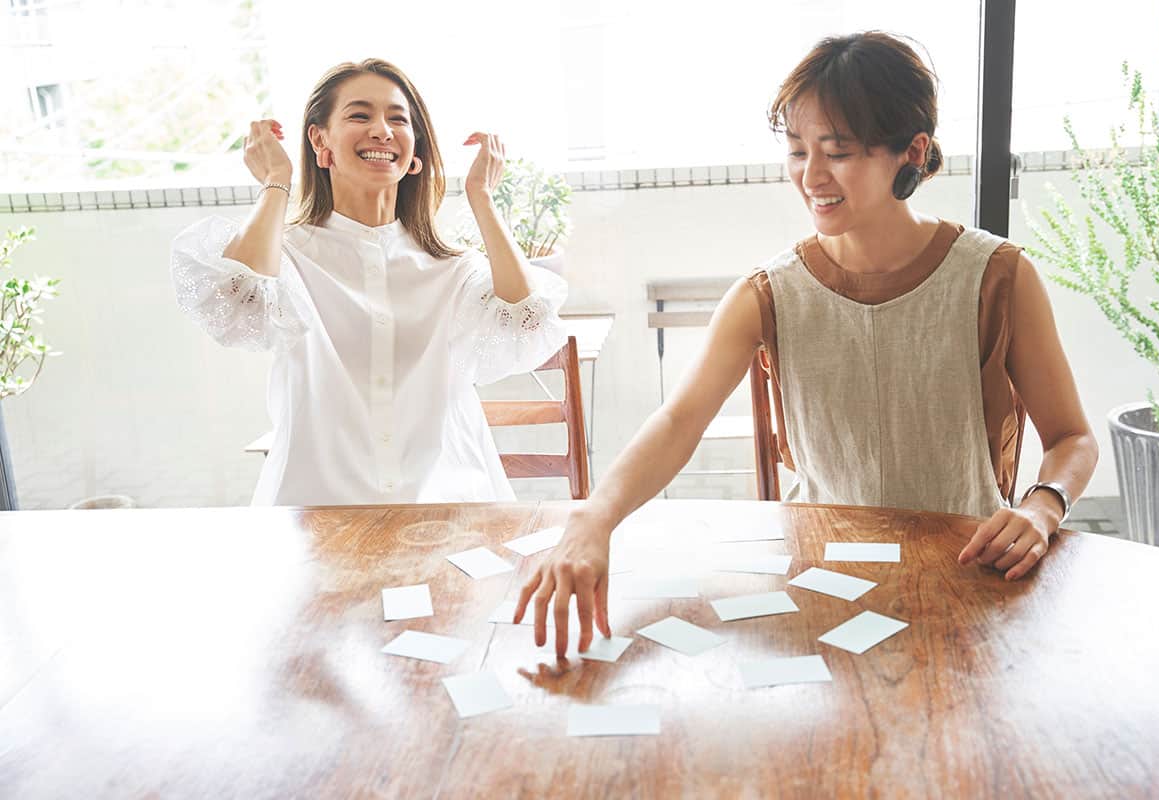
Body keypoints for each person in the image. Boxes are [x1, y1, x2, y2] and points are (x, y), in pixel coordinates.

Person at [515, 32, 1099, 657]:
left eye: (838, 152)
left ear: (912, 150)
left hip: (966, 584)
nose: (812, 176)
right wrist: (594, 517)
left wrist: (1042, 508)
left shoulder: (997, 276)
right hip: (820, 593)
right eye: (797, 151)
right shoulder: (768, 292)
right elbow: (680, 420)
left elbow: (1072, 438)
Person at [170, 59, 567, 506]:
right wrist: (276, 182)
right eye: (360, 115)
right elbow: (234, 304)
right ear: (320, 140)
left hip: (449, 507)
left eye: (398, 119)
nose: (382, 130)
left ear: (414, 149)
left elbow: (528, 321)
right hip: (316, 512)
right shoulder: (285, 257)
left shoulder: (453, 269)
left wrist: (482, 197)